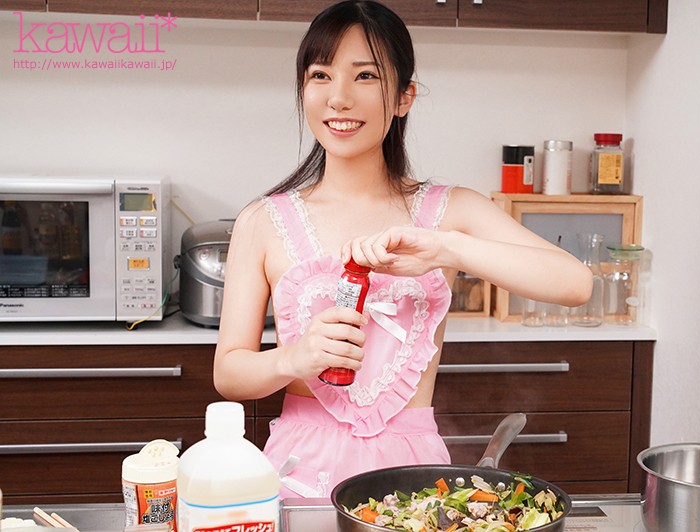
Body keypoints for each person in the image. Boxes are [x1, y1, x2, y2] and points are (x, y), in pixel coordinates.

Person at [214, 0, 592, 499]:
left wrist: (448, 250)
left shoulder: (451, 211)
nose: (339, 98)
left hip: (415, 479)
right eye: (320, 75)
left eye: (365, 76)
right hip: (296, 474)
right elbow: (229, 374)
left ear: (403, 97)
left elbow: (575, 284)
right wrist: (294, 358)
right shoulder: (262, 221)